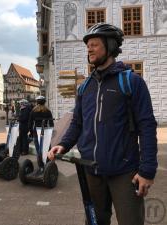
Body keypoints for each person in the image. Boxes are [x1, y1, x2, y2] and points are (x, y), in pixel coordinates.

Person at [48, 23, 157, 225]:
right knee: (96, 221)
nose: (89, 49)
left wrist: (147, 171)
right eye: (87, 45)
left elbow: (147, 126)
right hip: (91, 170)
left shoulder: (131, 82)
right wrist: (63, 144)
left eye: (94, 44)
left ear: (111, 46)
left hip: (124, 172)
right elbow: (78, 123)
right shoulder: (85, 87)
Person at [29, 96, 54, 167]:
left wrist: (31, 132)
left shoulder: (33, 111)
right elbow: (51, 123)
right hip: (45, 131)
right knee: (47, 148)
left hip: (36, 131)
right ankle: (49, 164)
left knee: (38, 149)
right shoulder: (47, 111)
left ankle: (40, 165)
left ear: (37, 102)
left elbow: (30, 123)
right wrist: (50, 131)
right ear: (44, 102)